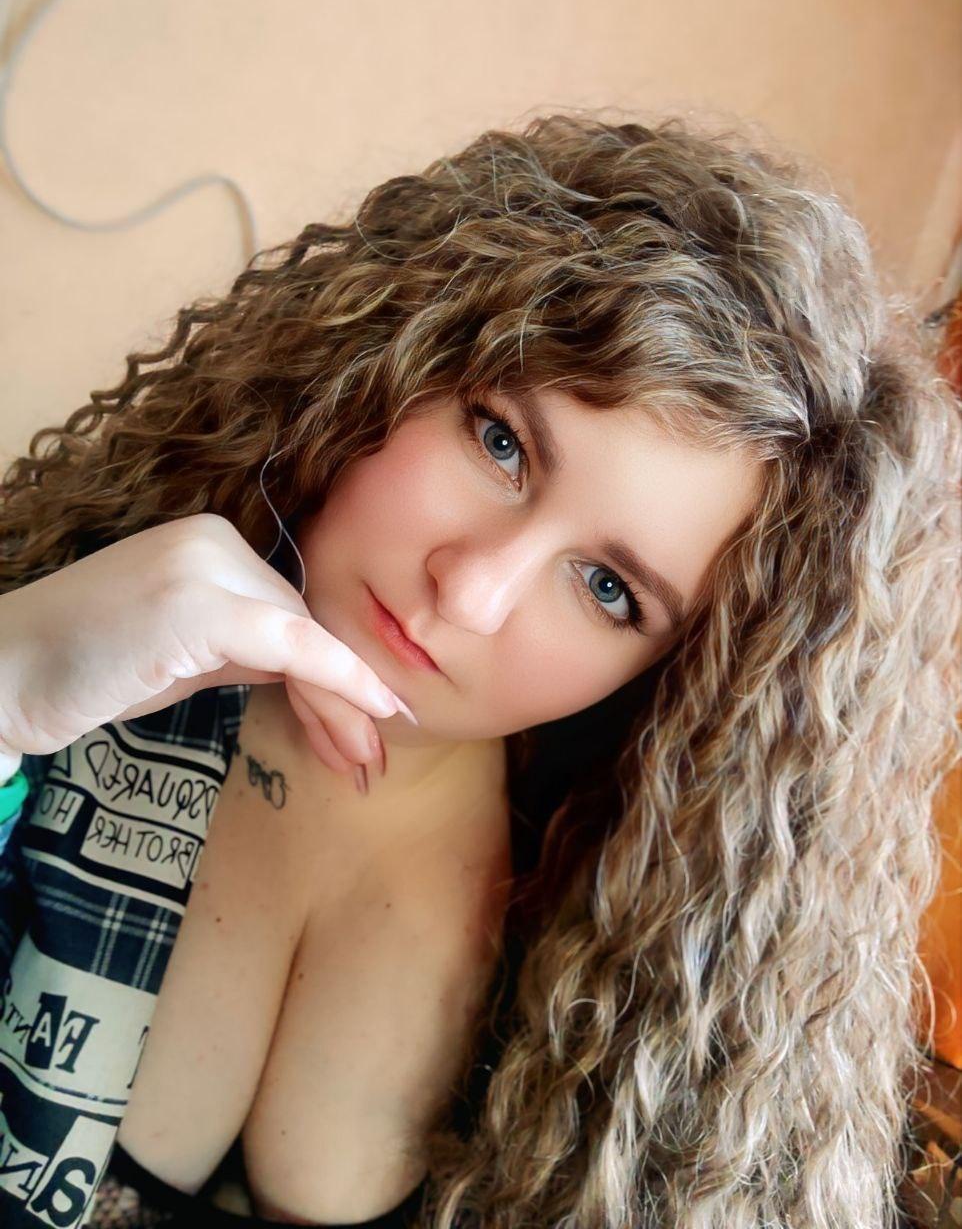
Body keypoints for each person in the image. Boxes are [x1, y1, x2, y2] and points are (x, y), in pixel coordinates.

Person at [0, 111, 959, 1229]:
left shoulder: (642, 972)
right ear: (396, 356)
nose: (470, 591)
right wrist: (11, 687)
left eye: (608, 589)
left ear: (684, 674)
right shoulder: (90, 626)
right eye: (500, 441)